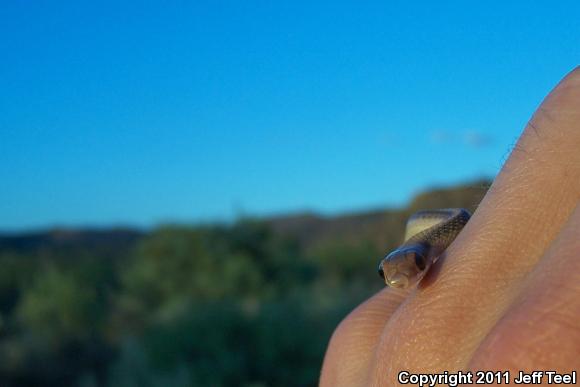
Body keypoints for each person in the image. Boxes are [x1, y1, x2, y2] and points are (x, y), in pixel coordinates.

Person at [319, 67, 580, 386]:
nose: (400, 281)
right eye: (384, 275)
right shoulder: (416, 251)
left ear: (423, 253)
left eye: (414, 265)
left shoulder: (448, 225)